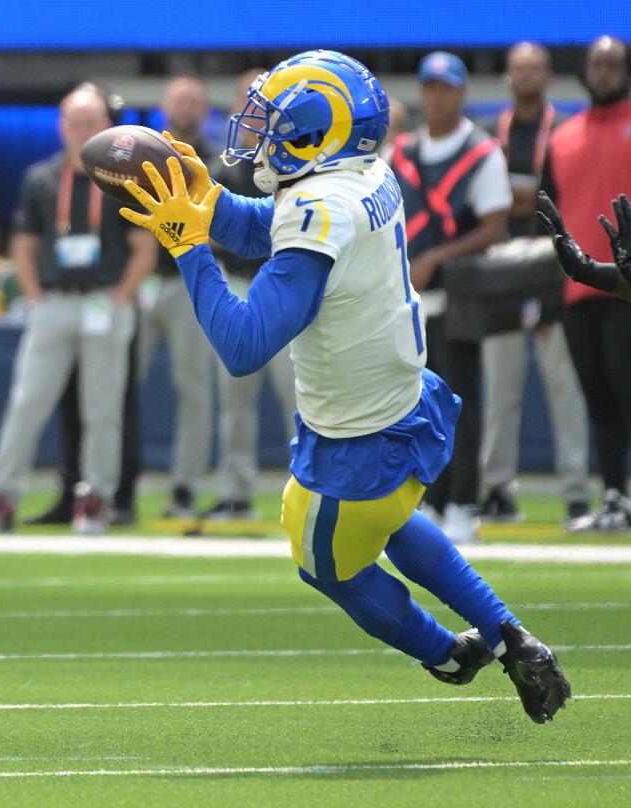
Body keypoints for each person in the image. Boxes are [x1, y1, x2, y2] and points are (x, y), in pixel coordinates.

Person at [119, 49, 569, 724]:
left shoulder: (318, 208)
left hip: (354, 438)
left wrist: (187, 247)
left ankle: (447, 653)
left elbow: (243, 345)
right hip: (402, 402)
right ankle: (513, 638)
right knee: (390, 519)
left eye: (275, 120)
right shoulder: (362, 172)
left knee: (326, 564)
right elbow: (269, 225)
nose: (260, 133)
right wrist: (206, 204)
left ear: (319, 131)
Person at [0, 82, 157, 535]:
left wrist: (121, 295)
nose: (82, 131)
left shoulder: (124, 179)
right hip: (53, 302)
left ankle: (95, 498)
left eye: (91, 123)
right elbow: (24, 243)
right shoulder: (41, 178)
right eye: (75, 123)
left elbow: (144, 245)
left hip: (105, 300)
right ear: (62, 127)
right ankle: (3, 498)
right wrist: (33, 294)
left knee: (103, 408)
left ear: (108, 127)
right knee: (26, 402)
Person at [389, 52, 512, 544]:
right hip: (410, 302)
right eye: (430, 88)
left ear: (461, 93)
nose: (438, 97)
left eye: (447, 87)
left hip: (460, 298)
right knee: (414, 407)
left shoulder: (482, 153)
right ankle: (432, 499)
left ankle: (464, 500)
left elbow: (495, 226)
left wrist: (438, 257)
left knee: (459, 402)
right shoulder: (399, 153)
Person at [478, 43, 589, 526]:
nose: (526, 76)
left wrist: (517, 197)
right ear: (507, 77)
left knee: (564, 382)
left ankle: (577, 491)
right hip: (502, 264)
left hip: (551, 263)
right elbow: (491, 203)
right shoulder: (490, 134)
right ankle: (497, 488)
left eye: (534, 69)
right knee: (500, 385)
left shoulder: (565, 132)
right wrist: (522, 198)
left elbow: (552, 199)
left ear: (548, 77)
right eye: (517, 68)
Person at [537, 35, 631, 531]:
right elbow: (551, 216)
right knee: (599, 398)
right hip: (577, 290)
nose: (605, 70)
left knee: (626, 389)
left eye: (614, 63)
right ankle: (615, 497)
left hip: (627, 288)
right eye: (597, 62)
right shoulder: (562, 137)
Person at [206, 68, 297, 522]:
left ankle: (310, 483)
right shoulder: (224, 163)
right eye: (248, 97)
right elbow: (210, 227)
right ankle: (235, 491)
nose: (253, 106)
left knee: (297, 394)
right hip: (238, 282)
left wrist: (244, 233)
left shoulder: (295, 154)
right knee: (234, 399)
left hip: (282, 281)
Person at [136, 75, 217, 520]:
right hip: (144, 281)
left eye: (194, 99)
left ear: (204, 110)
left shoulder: (214, 162)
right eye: (178, 98)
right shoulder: (139, 154)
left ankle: (185, 486)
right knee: (120, 384)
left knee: (193, 387)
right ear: (165, 105)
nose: (185, 106)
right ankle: (116, 485)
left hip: (190, 280)